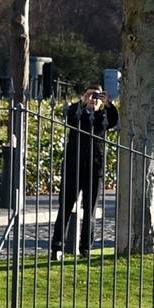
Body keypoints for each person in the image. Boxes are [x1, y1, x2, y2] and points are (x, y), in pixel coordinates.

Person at [53, 84, 118, 259]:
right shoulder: (78, 113)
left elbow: (114, 120)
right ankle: (57, 246)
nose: (94, 99)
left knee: (90, 210)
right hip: (73, 167)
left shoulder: (103, 116)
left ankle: (85, 247)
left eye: (97, 96)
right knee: (65, 207)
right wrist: (83, 103)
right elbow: (70, 116)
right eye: (91, 95)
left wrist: (108, 104)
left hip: (94, 168)